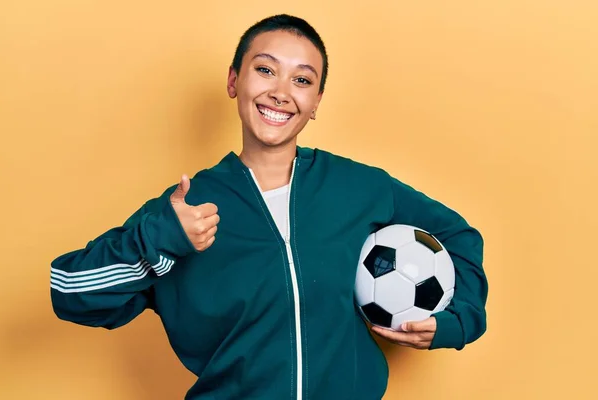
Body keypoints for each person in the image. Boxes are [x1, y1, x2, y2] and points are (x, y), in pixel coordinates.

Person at [50, 14, 488, 400]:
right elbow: (68, 291)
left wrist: (456, 322)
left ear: (315, 102)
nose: (281, 92)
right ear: (234, 81)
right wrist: (158, 240)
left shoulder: (360, 187)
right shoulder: (186, 210)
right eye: (265, 70)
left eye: (301, 80)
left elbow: (459, 236)